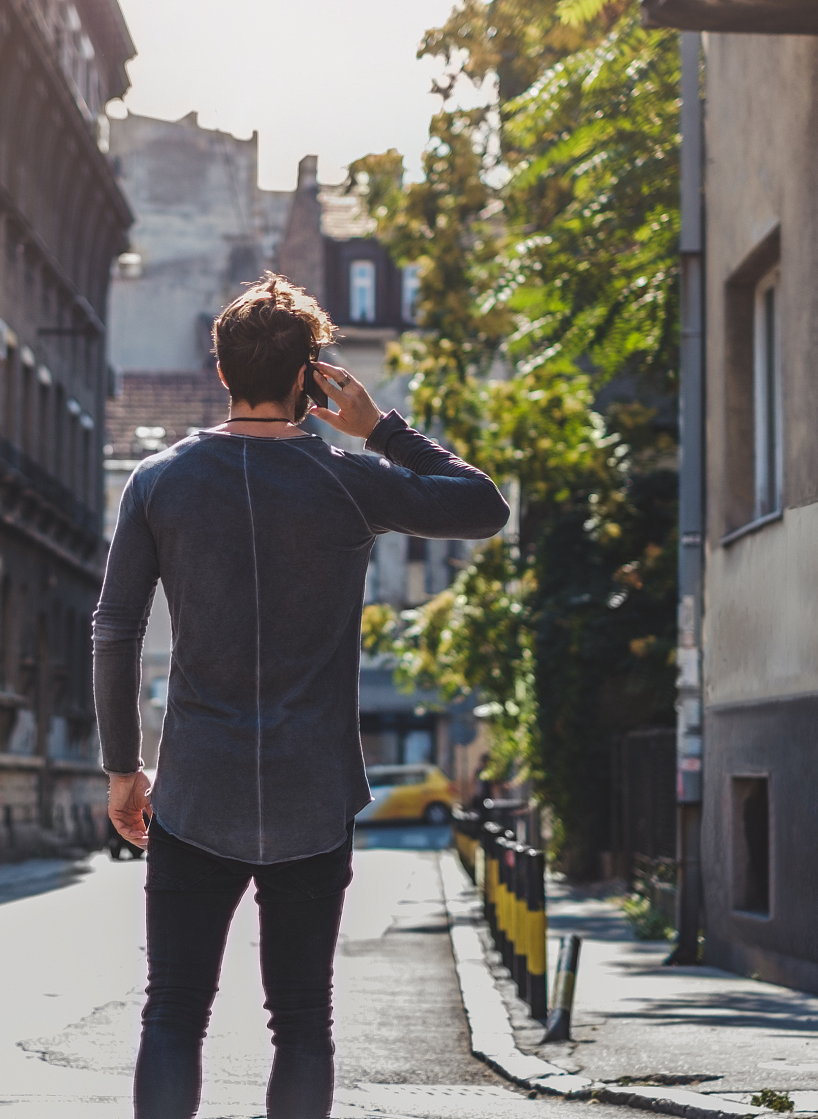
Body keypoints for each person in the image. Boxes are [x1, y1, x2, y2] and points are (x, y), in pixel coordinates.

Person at [93, 273, 509, 1119]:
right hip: (312, 796)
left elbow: (115, 628)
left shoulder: (159, 480)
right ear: (309, 376)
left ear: (221, 371)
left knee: (174, 1012)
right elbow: (484, 506)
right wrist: (382, 428)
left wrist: (121, 768)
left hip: (197, 791)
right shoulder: (347, 478)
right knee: (303, 1025)